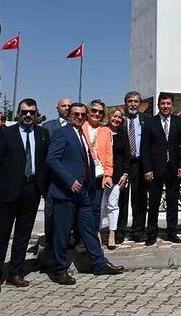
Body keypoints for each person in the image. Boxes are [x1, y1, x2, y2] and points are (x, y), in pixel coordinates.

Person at [47, 103, 123, 284]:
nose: (80, 117)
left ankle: (99, 263)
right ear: (68, 115)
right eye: (76, 114)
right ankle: (59, 269)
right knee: (62, 232)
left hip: (84, 193)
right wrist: (69, 181)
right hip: (66, 193)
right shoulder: (62, 133)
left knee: (89, 229)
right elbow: (52, 159)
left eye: (82, 114)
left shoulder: (81, 134)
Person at [0, 99, 49, 293]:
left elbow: (45, 163)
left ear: (36, 113)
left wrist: (44, 189)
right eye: (24, 112)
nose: (28, 115)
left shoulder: (42, 134)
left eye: (32, 112)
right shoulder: (5, 134)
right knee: (1, 234)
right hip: (9, 192)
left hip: (32, 190)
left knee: (23, 235)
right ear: (18, 114)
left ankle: (15, 272)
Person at [142, 92, 181, 245]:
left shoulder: (179, 121)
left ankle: (171, 232)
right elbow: (145, 147)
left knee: (172, 201)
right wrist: (147, 169)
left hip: (174, 168)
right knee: (154, 202)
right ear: (158, 105)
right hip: (155, 168)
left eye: (168, 103)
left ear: (172, 105)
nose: (165, 106)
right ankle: (151, 234)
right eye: (163, 103)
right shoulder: (150, 122)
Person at [40, 98, 71, 257]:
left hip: (72, 178)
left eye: (69, 106)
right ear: (57, 108)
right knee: (51, 212)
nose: (66, 108)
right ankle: (50, 243)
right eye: (63, 106)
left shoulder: (77, 126)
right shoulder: (48, 126)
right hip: (52, 178)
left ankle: (66, 240)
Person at [118, 91, 149, 243]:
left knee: (139, 198)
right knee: (121, 199)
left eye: (136, 101)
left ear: (140, 103)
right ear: (125, 103)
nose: (133, 104)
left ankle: (137, 231)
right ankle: (120, 231)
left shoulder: (146, 120)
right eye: (130, 101)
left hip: (140, 163)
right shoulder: (119, 120)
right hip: (123, 164)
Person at [83, 100, 114, 245]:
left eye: (100, 112)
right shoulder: (80, 127)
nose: (96, 114)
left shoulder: (105, 131)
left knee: (96, 207)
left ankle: (95, 235)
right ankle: (81, 236)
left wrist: (108, 175)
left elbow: (108, 154)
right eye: (94, 111)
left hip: (99, 174)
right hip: (82, 174)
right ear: (88, 112)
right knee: (82, 207)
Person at [106, 107, 130, 249]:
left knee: (113, 205)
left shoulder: (122, 133)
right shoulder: (102, 131)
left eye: (119, 117)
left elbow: (127, 155)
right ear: (109, 117)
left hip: (118, 174)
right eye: (114, 116)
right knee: (101, 206)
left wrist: (125, 173)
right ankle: (96, 233)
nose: (116, 119)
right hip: (102, 173)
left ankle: (112, 234)